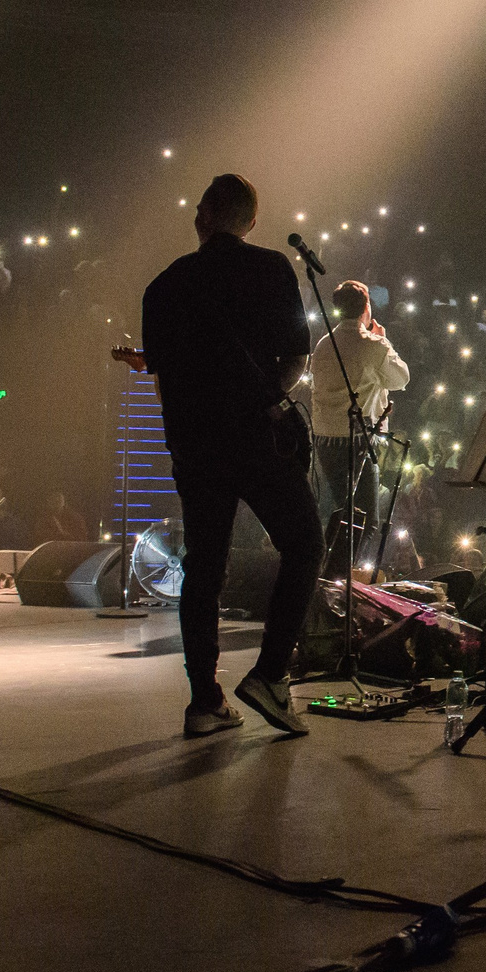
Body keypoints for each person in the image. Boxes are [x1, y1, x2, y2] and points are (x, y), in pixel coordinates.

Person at [135, 174, 316, 738]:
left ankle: (204, 703)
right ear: (252, 221)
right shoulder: (271, 269)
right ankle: (269, 674)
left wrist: (187, 431)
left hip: (195, 446)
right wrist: (269, 403)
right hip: (257, 438)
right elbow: (295, 357)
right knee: (305, 544)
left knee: (203, 568)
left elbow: (162, 376)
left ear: (203, 217)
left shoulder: (165, 285)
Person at [306, 279, 410, 577]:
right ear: (367, 308)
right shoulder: (373, 344)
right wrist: (383, 340)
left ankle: (328, 574)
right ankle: (333, 579)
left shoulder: (324, 344)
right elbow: (401, 379)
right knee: (364, 519)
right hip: (358, 441)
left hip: (326, 441)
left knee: (345, 512)